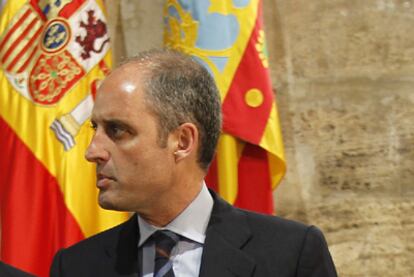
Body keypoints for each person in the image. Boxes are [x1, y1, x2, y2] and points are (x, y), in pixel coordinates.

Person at [50, 49, 337, 276]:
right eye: (94, 129)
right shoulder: (75, 267)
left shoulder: (290, 254)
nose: (92, 151)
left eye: (117, 130)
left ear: (183, 142)